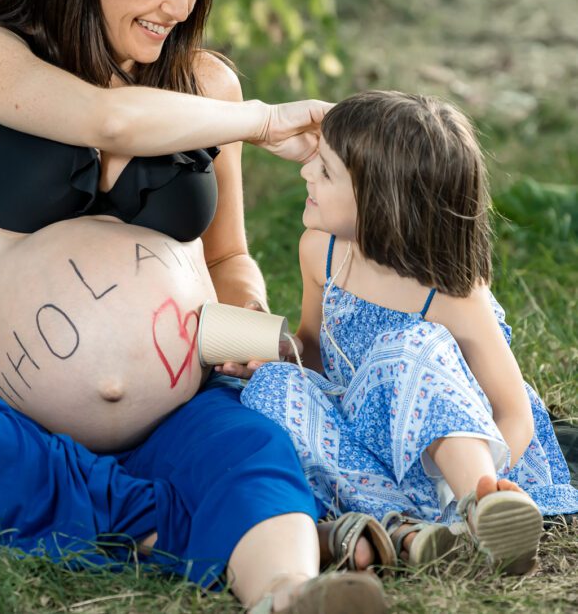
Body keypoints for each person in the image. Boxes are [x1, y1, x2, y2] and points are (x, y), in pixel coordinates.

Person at [0, 0, 387, 613]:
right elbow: (107, 120)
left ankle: (285, 594)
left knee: (253, 449)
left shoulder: (207, 86)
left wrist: (246, 326)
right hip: (15, 423)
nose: (177, 8)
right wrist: (262, 122)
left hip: (174, 414)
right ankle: (174, 523)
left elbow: (229, 256)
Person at [242, 90, 578, 575]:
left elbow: (513, 416)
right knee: (270, 387)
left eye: (327, 171)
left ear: (382, 202)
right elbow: (314, 349)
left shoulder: (453, 297)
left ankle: (481, 508)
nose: (305, 172)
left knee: (409, 348)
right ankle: (414, 529)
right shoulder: (321, 251)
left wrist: (480, 477)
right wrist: (282, 352)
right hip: (365, 451)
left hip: (454, 459)